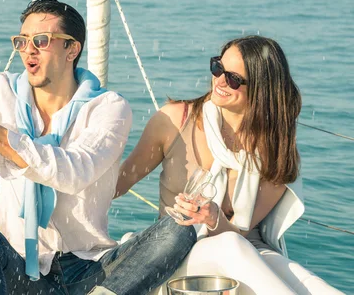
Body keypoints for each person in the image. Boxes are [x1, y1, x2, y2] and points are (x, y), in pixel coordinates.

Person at [0, 0, 196, 295]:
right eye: (22, 41)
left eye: (41, 41)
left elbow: (74, 170)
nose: (29, 51)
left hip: (90, 268)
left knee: (179, 229)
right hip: (21, 270)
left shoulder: (109, 108)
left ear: (71, 49)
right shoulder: (0, 92)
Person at [115, 35, 344, 295]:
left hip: (245, 247)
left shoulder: (274, 147)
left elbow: (242, 233)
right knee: (232, 247)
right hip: (175, 252)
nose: (220, 81)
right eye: (217, 68)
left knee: (314, 286)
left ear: (263, 88)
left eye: (234, 79)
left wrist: (214, 219)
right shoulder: (177, 120)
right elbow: (118, 183)